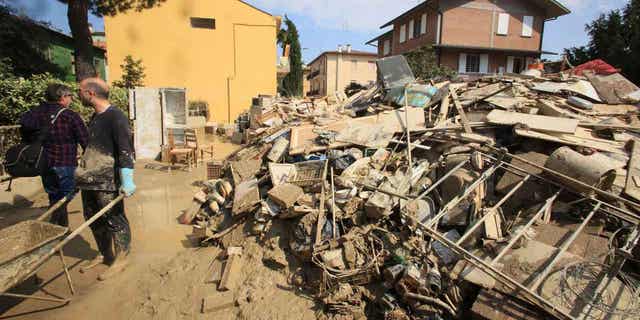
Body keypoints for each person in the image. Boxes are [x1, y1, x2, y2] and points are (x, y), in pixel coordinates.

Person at [75, 77, 136, 281]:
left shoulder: (116, 117)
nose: (78, 94)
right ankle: (105, 253)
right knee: (92, 218)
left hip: (107, 180)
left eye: (80, 91)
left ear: (90, 93)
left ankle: (122, 257)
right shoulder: (96, 117)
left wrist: (127, 179)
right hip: (90, 178)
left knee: (114, 219)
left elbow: (125, 150)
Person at [20, 83, 88, 227]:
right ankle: (55, 223)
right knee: (68, 195)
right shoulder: (70, 116)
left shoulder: (34, 113)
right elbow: (85, 141)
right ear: (63, 97)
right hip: (65, 164)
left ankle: (59, 229)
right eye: (70, 96)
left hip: (44, 163)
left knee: (54, 197)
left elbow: (24, 125)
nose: (71, 100)